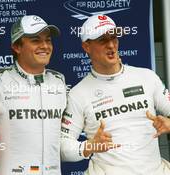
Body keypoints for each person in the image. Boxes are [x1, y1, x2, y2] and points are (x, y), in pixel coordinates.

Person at [60, 14, 170, 175]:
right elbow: (62, 147)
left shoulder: (147, 77)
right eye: (102, 40)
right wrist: (89, 146)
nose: (111, 45)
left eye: (114, 38)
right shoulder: (78, 94)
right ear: (86, 47)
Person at [0, 15, 67, 175]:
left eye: (48, 40)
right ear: (17, 47)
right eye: (35, 40)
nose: (45, 46)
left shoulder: (58, 81)